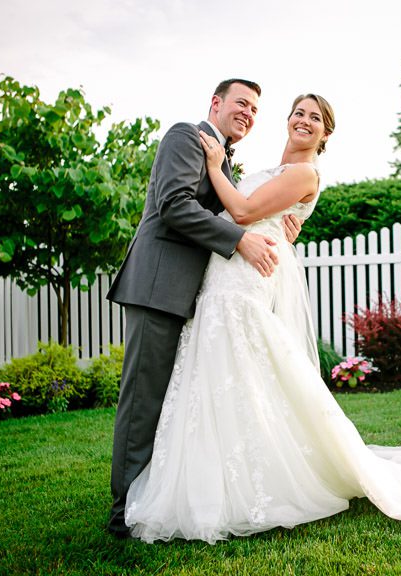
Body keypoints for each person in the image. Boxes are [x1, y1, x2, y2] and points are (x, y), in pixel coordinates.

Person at [124, 94, 401, 544]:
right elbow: (242, 213)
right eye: (298, 113)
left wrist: (215, 167)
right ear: (287, 120)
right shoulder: (271, 170)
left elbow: (241, 212)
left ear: (326, 134)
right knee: (221, 378)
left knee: (238, 371)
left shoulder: (304, 173)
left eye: (315, 118)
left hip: (244, 283)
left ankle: (249, 480)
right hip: (224, 276)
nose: (304, 121)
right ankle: (215, 475)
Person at [105, 78, 302, 538]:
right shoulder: (184, 136)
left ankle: (150, 499)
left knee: (171, 405)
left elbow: (236, 211)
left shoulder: (223, 161)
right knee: (143, 402)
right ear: (215, 103)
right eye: (241, 103)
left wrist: (275, 232)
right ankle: (123, 513)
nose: (248, 113)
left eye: (255, 109)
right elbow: (173, 205)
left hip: (189, 297)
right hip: (158, 288)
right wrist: (240, 240)